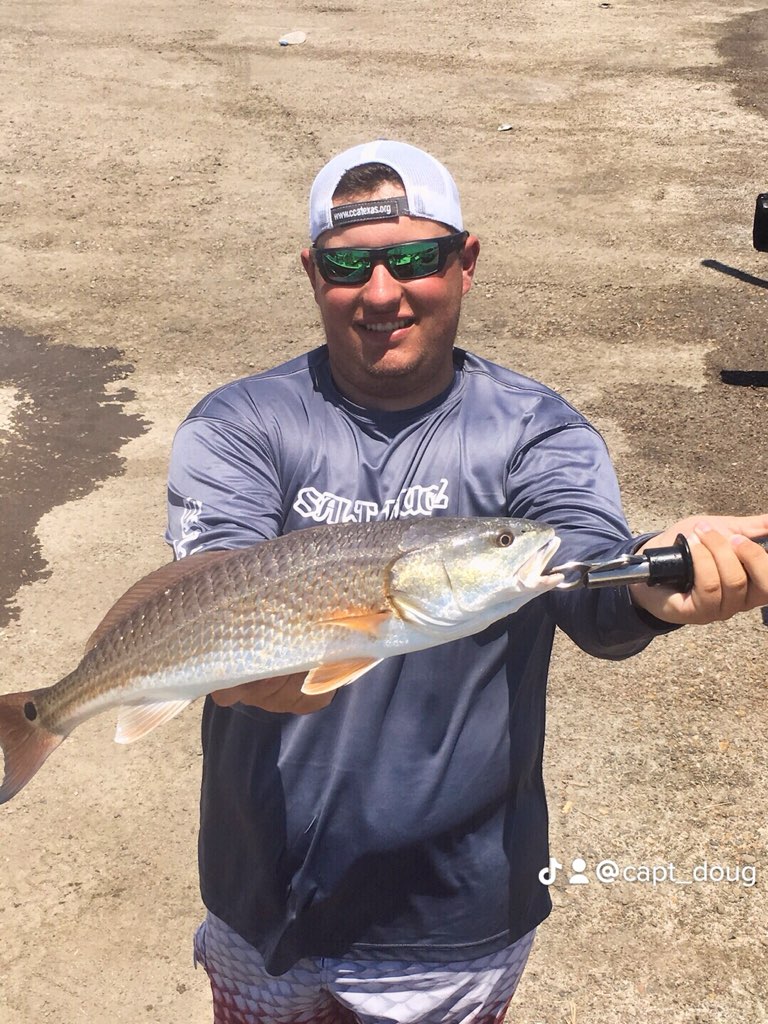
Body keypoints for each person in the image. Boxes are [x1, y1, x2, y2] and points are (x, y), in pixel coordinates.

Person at [166, 140, 768, 1024]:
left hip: (454, 913)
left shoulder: (533, 432)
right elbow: (208, 587)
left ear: (466, 262)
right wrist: (238, 671)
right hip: (259, 893)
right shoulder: (240, 424)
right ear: (312, 274)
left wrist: (653, 583)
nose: (382, 293)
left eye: (416, 258)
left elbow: (589, 581)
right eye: (349, 265)